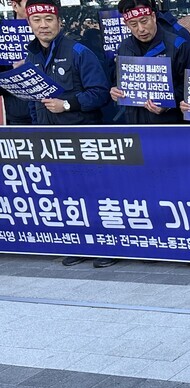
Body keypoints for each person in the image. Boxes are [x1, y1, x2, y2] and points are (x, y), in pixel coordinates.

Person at [24, 0, 110, 268]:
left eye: (48, 19)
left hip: (84, 135)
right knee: (69, 194)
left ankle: (107, 248)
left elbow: (100, 92)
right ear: (29, 24)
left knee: (96, 194)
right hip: (51, 139)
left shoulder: (79, 51)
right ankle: (81, 245)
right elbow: (32, 97)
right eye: (37, 21)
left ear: (58, 21)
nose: (43, 25)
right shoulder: (32, 55)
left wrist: (68, 104)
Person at [110, 0, 190, 125]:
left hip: (171, 125)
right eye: (133, 24)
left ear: (153, 16)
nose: (141, 29)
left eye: (144, 21)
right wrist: (115, 91)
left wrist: (168, 103)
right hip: (136, 125)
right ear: (126, 24)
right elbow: (118, 81)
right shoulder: (123, 47)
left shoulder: (178, 45)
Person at [0, 0, 34, 125]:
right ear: (15, 6)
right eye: (29, 3)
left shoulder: (49, 35)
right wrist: (13, 70)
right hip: (20, 114)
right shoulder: (3, 40)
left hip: (52, 111)